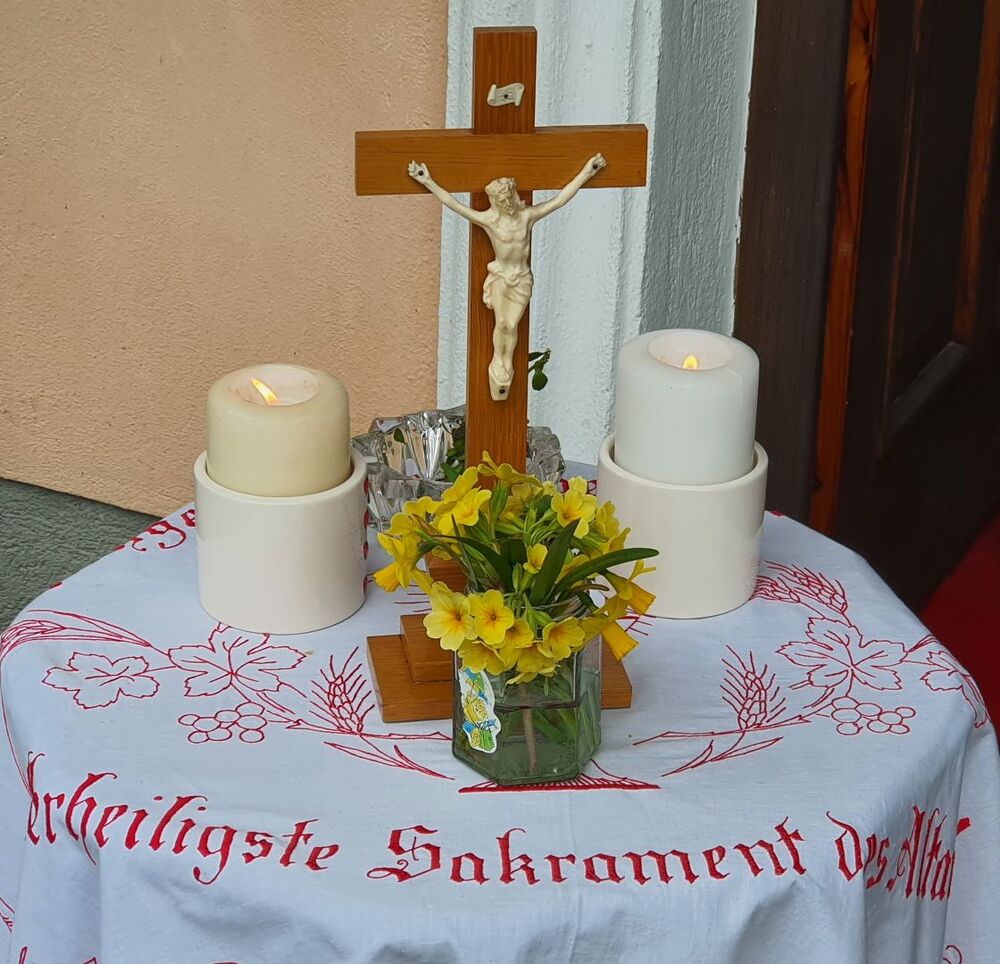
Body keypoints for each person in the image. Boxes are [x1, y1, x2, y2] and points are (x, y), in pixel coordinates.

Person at [408, 153, 607, 400]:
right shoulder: (490, 220)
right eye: (502, 201)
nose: (508, 204)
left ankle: (507, 361)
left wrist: (588, 171)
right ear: (495, 201)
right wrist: (427, 180)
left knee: (512, 325)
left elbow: (559, 200)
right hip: (502, 276)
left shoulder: (526, 217)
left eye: (509, 198)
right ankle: (498, 361)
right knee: (501, 322)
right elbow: (454, 204)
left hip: (521, 277)